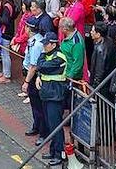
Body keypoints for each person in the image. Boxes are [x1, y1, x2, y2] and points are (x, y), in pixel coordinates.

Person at [36, 32, 69, 166]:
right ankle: (53, 150)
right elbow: (41, 68)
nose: (44, 46)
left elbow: (41, 66)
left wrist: (41, 59)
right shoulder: (49, 55)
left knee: (56, 126)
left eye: (46, 44)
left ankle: (59, 154)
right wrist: (39, 74)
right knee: (50, 125)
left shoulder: (59, 57)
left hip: (55, 95)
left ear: (54, 44)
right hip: (47, 94)